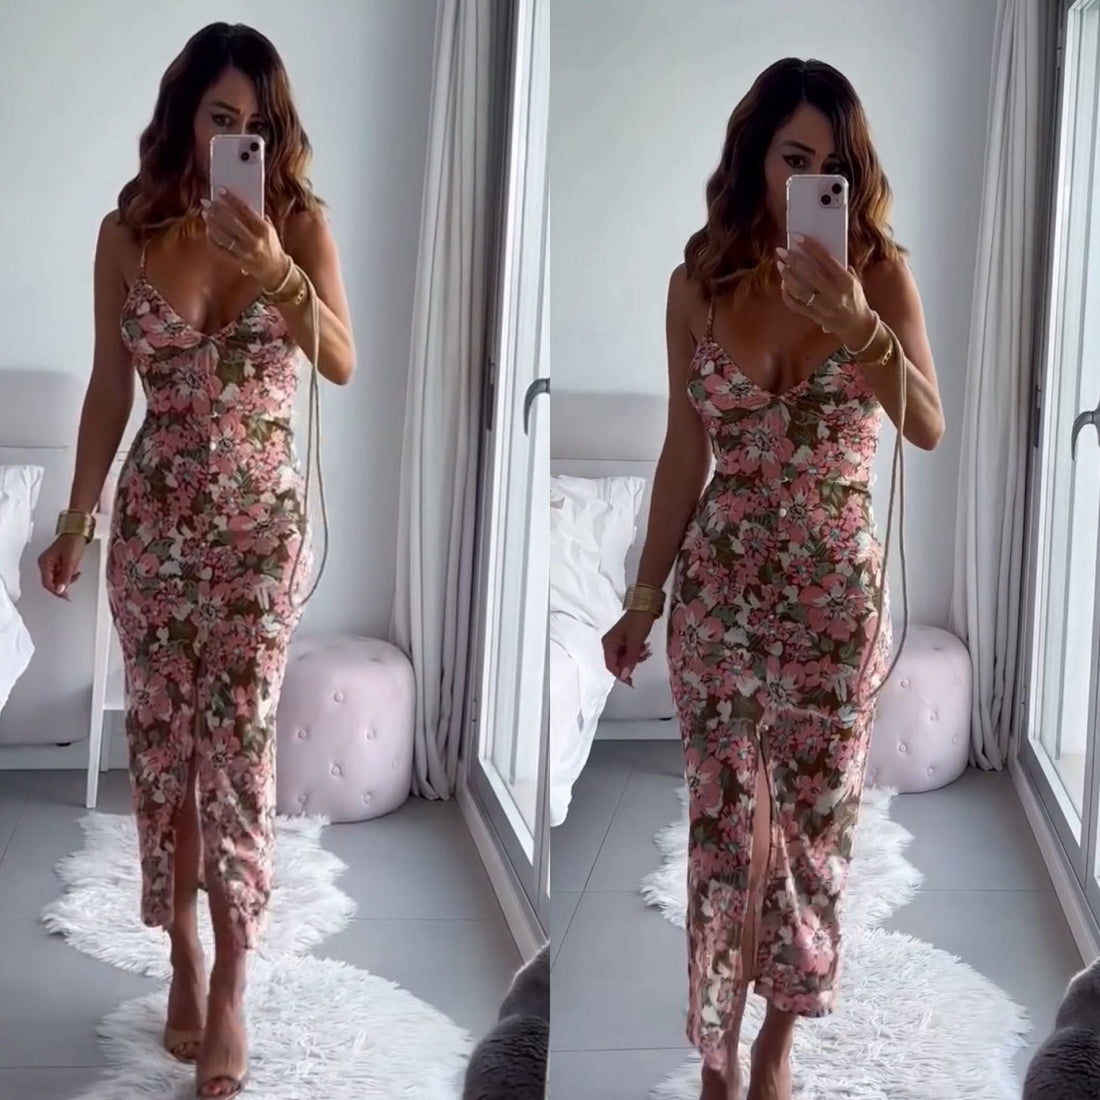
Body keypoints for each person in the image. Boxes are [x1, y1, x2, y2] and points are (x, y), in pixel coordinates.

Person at [601, 58, 944, 1100]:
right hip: (720, 594)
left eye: (831, 165)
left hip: (836, 604)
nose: (809, 180)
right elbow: (682, 450)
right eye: (793, 158)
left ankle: (776, 1045)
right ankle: (716, 1049)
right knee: (725, 834)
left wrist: (857, 324)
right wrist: (644, 595)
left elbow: (926, 423)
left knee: (811, 833)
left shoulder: (876, 274)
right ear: (754, 156)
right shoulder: (697, 286)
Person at [36, 22, 355, 1099]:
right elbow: (107, 388)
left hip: (261, 534)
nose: (238, 138)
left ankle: (230, 985)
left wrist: (276, 272)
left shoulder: (297, 224)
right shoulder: (126, 235)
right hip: (157, 528)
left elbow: (342, 360)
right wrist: (78, 519)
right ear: (184, 117)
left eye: (257, 124)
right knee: (166, 754)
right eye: (221, 117)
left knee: (239, 754)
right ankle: (178, 950)